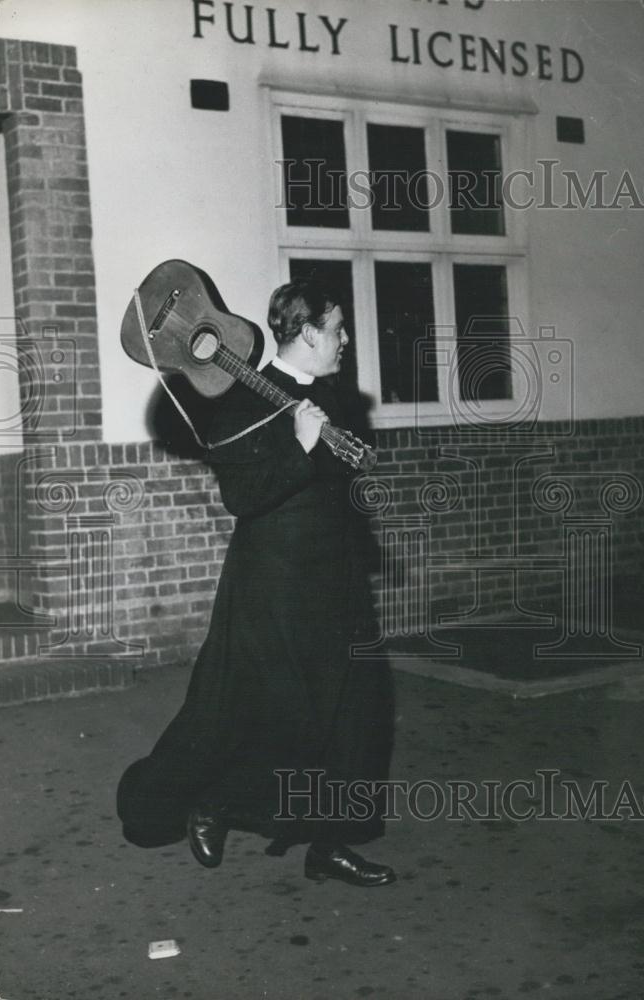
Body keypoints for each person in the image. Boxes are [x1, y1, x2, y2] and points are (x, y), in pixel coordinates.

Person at [117, 278, 395, 887]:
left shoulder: (335, 400)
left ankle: (330, 844)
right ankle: (214, 801)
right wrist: (297, 447)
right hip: (274, 584)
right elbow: (242, 497)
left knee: (355, 715)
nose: (347, 340)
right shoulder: (240, 402)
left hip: (334, 580)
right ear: (308, 333)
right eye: (339, 328)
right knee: (270, 716)